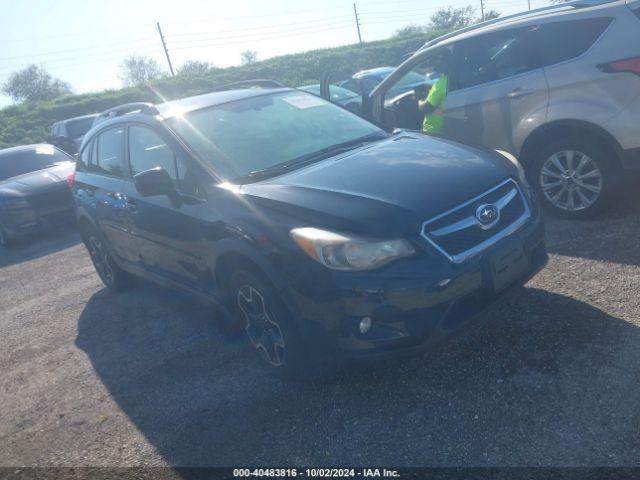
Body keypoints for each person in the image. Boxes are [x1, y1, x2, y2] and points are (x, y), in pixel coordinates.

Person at [418, 51, 452, 135]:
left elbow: (426, 108)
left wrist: (419, 101)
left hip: (434, 132)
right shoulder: (451, 80)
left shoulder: (441, 84)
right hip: (446, 129)